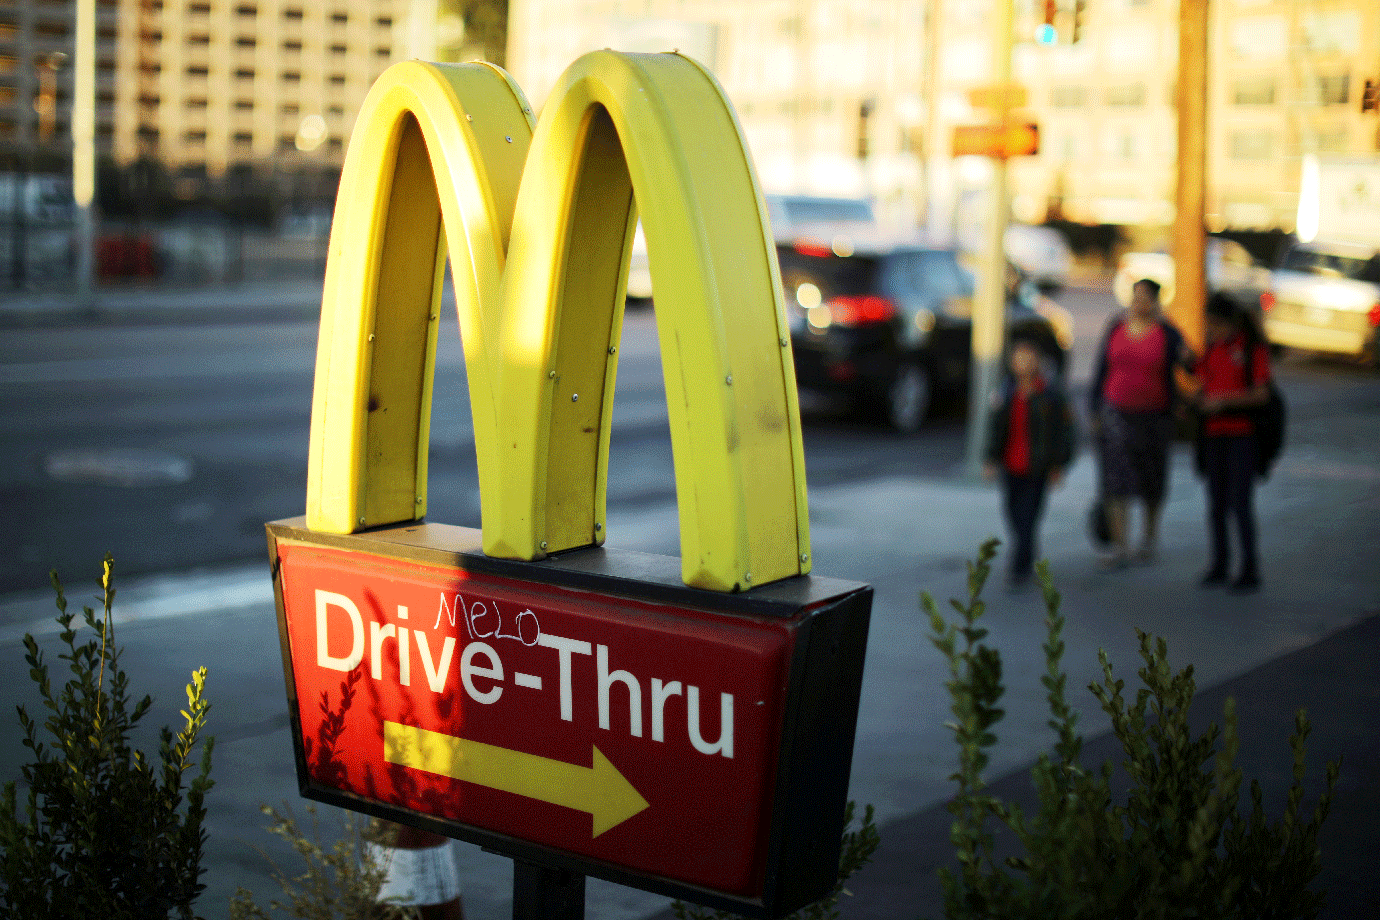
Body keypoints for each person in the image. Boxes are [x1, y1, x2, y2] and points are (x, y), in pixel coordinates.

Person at [1088, 277, 1191, 569]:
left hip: (1154, 417)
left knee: (1151, 480)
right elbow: (1101, 368)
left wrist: (1188, 356)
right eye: (1136, 297)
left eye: (1147, 298)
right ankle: (1120, 545)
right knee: (1114, 480)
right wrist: (1095, 408)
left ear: (1156, 301)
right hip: (1115, 414)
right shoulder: (1116, 327)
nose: (1140, 303)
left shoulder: (1167, 333)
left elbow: (1189, 364)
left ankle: (1148, 538)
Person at [1194, 294, 1271, 593]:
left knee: (1240, 502)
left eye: (1214, 324)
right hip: (1214, 435)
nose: (1211, 329)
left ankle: (1249, 567)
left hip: (1241, 433)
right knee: (1216, 503)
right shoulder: (1211, 348)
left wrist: (1223, 403)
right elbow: (1201, 381)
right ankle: (1220, 563)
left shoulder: (1250, 347)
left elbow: (1261, 393)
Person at [985, 338, 1076, 588]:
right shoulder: (1006, 391)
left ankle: (1019, 566)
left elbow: (1064, 432)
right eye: (1018, 357)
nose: (1023, 363)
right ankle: (1026, 553)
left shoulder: (1050, 394)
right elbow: (995, 429)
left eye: (1028, 357)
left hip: (1038, 466)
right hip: (1011, 465)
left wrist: (1059, 464)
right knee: (1013, 513)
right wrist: (990, 458)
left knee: (1028, 516)